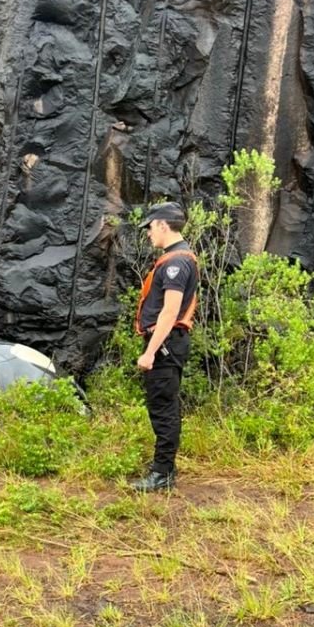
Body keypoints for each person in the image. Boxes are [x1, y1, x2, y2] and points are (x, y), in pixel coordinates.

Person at [129, 202, 199, 492]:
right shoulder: (178, 258)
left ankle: (162, 474)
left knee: (164, 410)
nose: (148, 233)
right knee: (164, 407)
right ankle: (164, 467)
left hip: (165, 346)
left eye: (149, 226)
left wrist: (150, 352)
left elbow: (169, 312)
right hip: (169, 344)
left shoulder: (175, 262)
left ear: (162, 224)